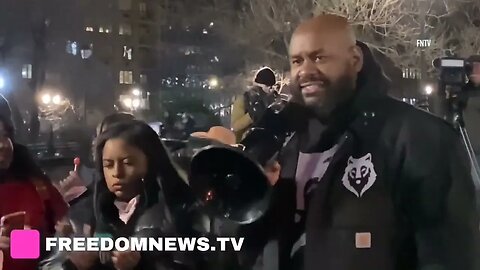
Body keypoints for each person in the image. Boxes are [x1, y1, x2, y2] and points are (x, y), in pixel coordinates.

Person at [240, 14, 480, 270]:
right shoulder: (285, 142)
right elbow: (248, 252)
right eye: (297, 61)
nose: (306, 71)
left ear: (355, 60)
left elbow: (448, 255)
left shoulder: (420, 138)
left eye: (319, 57)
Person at [40, 120, 195, 270]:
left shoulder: (181, 211)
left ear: (152, 161)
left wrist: (141, 264)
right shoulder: (82, 215)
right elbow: (46, 262)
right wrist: (72, 265)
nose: (117, 173)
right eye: (108, 164)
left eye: (128, 163)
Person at [0, 112, 68, 269]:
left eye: (5, 135)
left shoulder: (37, 185)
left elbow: (64, 229)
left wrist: (64, 230)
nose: (2, 144)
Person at [231, 67, 279, 142]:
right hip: (247, 144)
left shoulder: (271, 98)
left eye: (271, 87)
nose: (270, 90)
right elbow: (235, 126)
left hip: (269, 142)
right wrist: (252, 115)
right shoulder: (243, 99)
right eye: (267, 87)